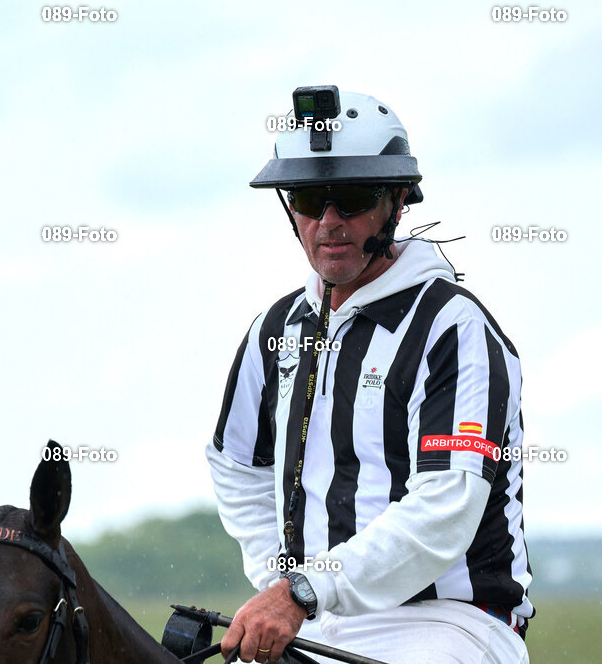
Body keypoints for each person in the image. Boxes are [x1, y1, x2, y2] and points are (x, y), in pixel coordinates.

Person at [206, 88, 533, 664]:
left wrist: (304, 589)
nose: (329, 223)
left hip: (449, 624)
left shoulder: (453, 327)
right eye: (309, 199)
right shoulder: (273, 327)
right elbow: (236, 465)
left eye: (352, 199)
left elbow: (445, 505)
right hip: (312, 619)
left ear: (397, 203)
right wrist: (278, 579)